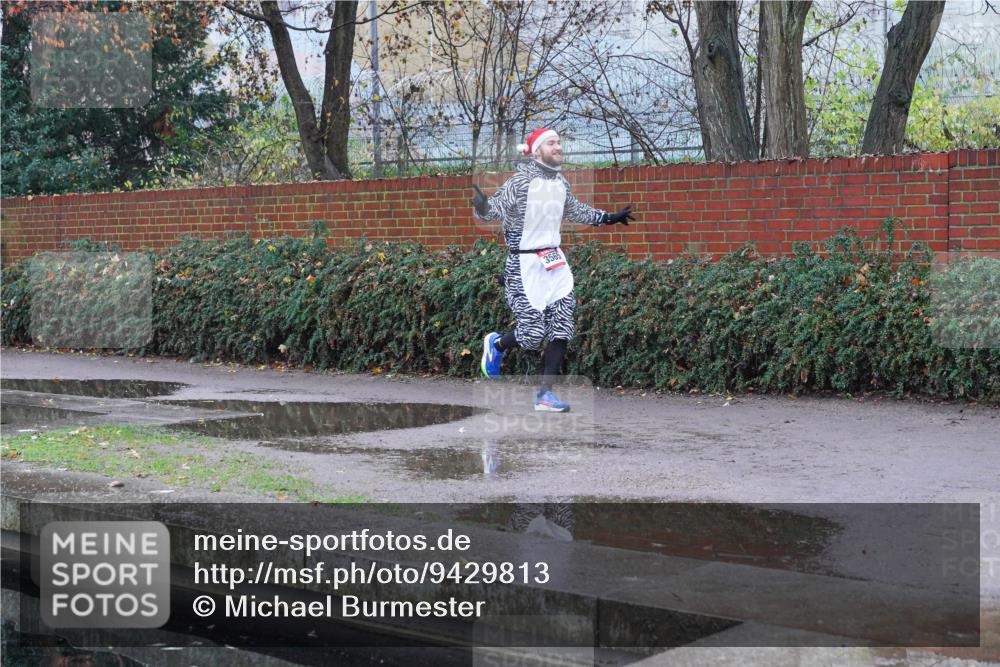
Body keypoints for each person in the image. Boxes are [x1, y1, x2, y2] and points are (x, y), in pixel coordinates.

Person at [472, 127, 635, 412]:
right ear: (537, 151)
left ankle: (545, 394)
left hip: (555, 263)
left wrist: (608, 218)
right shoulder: (520, 182)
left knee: (562, 327)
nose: (558, 146)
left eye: (559, 142)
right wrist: (483, 207)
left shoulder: (560, 182)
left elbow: (574, 210)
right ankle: (497, 344)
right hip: (523, 265)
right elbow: (494, 209)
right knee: (532, 334)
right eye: (551, 143)